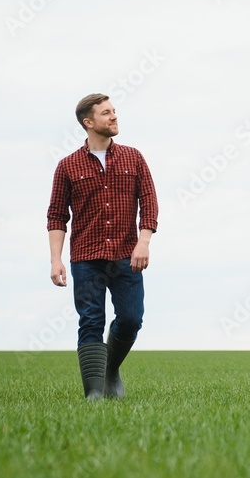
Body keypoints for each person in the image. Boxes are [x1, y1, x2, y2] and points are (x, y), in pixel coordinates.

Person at [46, 93, 158, 400]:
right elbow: (56, 216)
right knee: (91, 320)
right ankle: (93, 394)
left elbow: (149, 201)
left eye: (114, 112)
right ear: (89, 122)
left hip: (127, 255)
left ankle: (110, 369)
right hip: (86, 258)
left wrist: (143, 241)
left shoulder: (133, 157)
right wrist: (56, 260)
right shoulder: (67, 166)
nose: (113, 117)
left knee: (132, 318)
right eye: (106, 113)